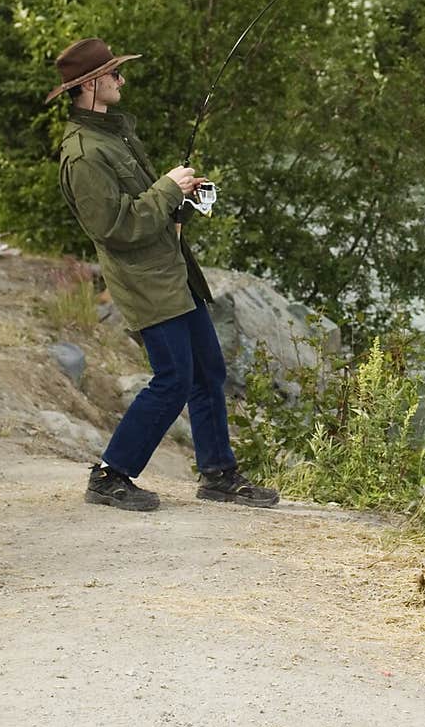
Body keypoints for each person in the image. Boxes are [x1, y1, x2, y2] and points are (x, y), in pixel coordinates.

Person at [47, 36, 278, 513]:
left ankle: (218, 473)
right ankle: (110, 475)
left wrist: (180, 199)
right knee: (173, 377)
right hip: (145, 282)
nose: (121, 79)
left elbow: (146, 207)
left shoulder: (113, 133)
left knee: (207, 370)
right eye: (114, 73)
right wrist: (166, 189)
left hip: (173, 272)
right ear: (90, 84)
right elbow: (114, 226)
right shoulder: (84, 154)